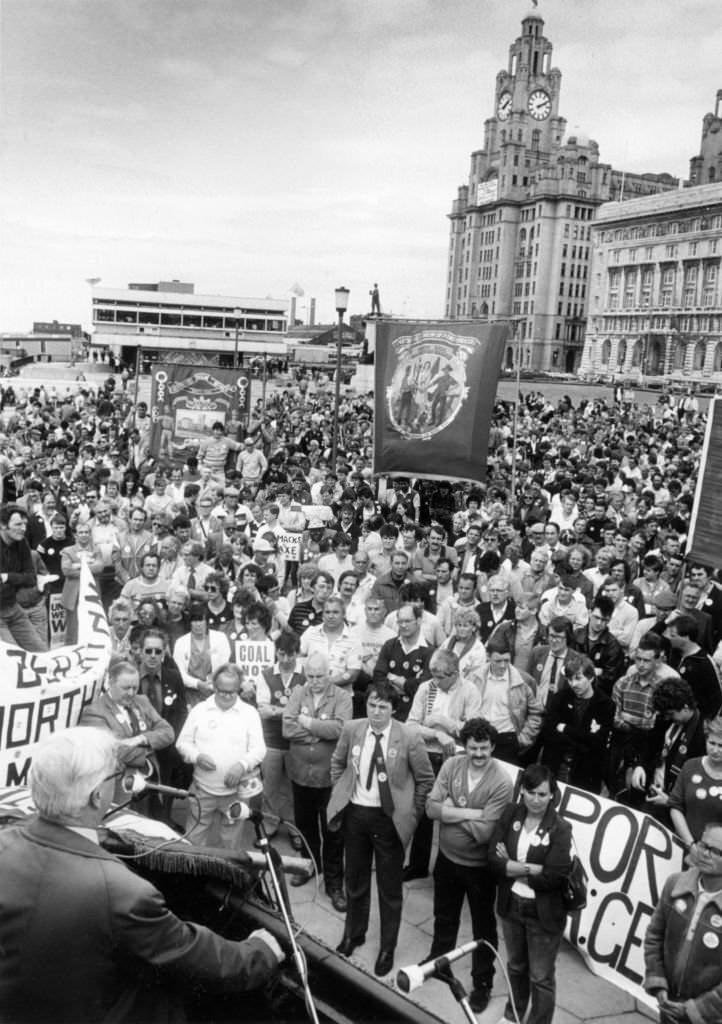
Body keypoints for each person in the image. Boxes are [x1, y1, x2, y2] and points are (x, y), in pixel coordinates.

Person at [0, 727, 283, 1023]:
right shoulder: (122, 892)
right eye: (113, 777)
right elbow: (198, 960)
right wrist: (259, 952)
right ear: (97, 796)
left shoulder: (5, 844)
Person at [327, 681, 434, 978]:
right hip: (357, 815)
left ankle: (387, 947)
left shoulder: (408, 737)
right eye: (372, 705)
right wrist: (342, 794)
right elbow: (337, 763)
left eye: (383, 707)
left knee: (389, 889)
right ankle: (354, 933)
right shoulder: (353, 729)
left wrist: (412, 814)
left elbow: (425, 779)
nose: (375, 711)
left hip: (389, 820)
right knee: (355, 880)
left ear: (393, 709)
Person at [424, 718, 513, 1015]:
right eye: (473, 747)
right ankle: (440, 962)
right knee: (444, 915)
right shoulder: (451, 766)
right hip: (448, 859)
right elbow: (430, 807)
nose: (477, 754)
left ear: (493, 747)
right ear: (465, 745)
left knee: (483, 927)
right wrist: (473, 812)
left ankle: (482, 983)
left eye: (484, 748)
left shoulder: (501, 781)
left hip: (480, 868)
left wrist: (450, 811)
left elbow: (486, 832)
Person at [489, 764, 572, 1024]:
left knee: (541, 976)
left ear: (552, 796)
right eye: (531, 792)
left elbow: (552, 876)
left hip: (543, 912)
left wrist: (511, 866)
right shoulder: (511, 813)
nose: (536, 800)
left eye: (543, 794)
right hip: (511, 904)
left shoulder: (560, 828)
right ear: (522, 791)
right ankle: (513, 1014)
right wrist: (530, 869)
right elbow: (493, 858)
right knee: (515, 966)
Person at [282, 651, 352, 911]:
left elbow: (341, 729)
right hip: (301, 775)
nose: (314, 681)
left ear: (328, 672)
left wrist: (307, 722)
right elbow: (286, 728)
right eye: (310, 675)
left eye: (319, 675)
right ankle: (309, 865)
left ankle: (334, 883)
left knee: (333, 831)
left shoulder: (342, 697)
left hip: (330, 778)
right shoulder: (299, 692)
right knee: (305, 826)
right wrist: (318, 734)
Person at [176, 663, 266, 848]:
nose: (226, 696)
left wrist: (242, 765)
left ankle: (228, 875)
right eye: (221, 691)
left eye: (231, 692)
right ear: (214, 687)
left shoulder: (249, 713)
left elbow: (259, 749)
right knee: (193, 841)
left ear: (239, 689)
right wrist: (197, 757)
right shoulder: (199, 710)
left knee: (231, 843)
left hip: (236, 794)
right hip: (202, 790)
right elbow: (182, 743)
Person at [644, 820, 722, 1024]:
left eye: (716, 852)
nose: (705, 854)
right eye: (703, 846)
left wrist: (695, 1010)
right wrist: (658, 983)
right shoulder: (675, 883)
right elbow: (654, 936)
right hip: (669, 1005)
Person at [80, 658, 175, 815]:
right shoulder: (95, 712)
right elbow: (113, 750)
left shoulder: (142, 701)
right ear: (110, 682)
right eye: (125, 688)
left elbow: (168, 732)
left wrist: (141, 739)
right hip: (118, 788)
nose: (131, 693)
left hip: (149, 783)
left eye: (135, 687)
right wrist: (148, 750)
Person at [540, 653, 614, 793]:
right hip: (557, 766)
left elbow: (598, 742)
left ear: (591, 677)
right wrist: (582, 737)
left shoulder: (605, 704)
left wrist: (566, 728)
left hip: (585, 771)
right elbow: (549, 731)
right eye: (569, 679)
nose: (573, 684)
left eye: (578, 678)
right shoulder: (560, 698)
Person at [668, 715, 722, 847]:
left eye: (721, 746)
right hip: (683, 846)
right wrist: (690, 844)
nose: (715, 750)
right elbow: (675, 805)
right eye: (712, 743)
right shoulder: (690, 766)